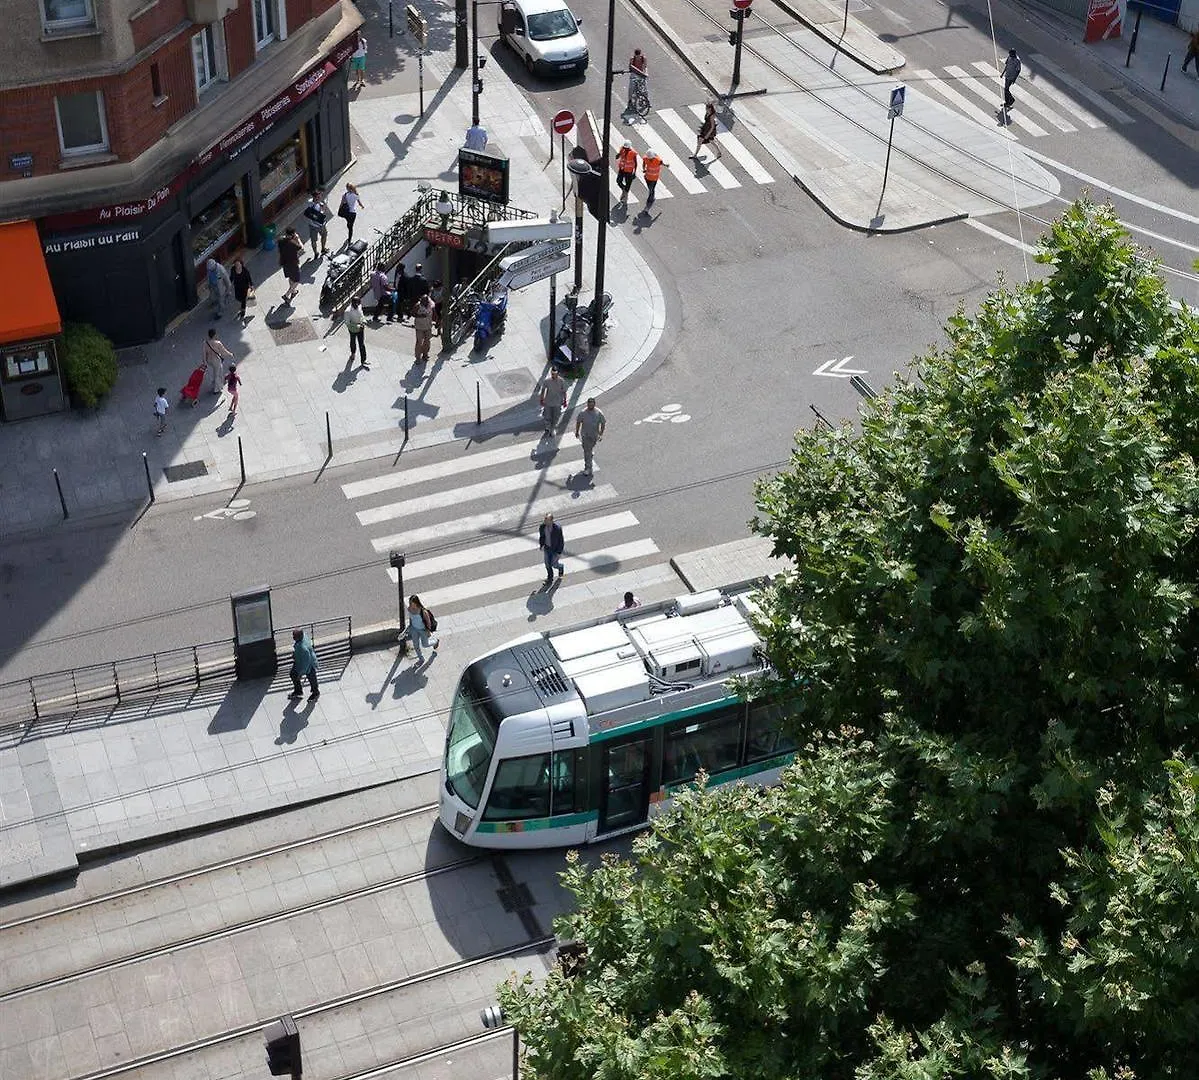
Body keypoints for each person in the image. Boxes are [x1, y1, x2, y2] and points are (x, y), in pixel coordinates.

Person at [574, 396, 606, 477]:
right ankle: (588, 467)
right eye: (589, 405)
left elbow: (603, 423)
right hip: (585, 435)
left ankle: (590, 454)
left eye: (592, 405)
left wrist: (601, 434)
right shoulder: (583, 413)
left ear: (594, 404)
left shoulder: (599, 413)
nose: (590, 406)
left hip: (594, 435)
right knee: (586, 451)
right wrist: (577, 432)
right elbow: (578, 422)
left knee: (589, 448)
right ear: (587, 404)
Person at [406, 595, 440, 662]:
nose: (410, 605)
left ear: (416, 603)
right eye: (410, 603)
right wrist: (410, 625)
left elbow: (428, 622)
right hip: (414, 629)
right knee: (416, 645)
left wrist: (428, 631)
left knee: (425, 644)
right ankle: (421, 658)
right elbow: (411, 618)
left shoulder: (423, 611)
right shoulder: (409, 609)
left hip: (423, 630)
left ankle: (435, 641)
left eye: (412, 603)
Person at [288, 628, 319, 701]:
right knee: (293, 674)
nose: (293, 637)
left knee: (312, 678)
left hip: (309, 664)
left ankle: (315, 693)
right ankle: (298, 691)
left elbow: (306, 663)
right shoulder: (303, 636)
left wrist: (300, 674)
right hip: (300, 661)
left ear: (299, 637)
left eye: (294, 636)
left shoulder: (303, 648)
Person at [278, 226, 304, 304]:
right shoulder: (292, 243)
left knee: (291, 278)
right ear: (292, 234)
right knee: (297, 280)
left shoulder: (280, 240)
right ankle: (286, 295)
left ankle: (293, 291)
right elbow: (302, 248)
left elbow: (282, 240)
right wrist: (298, 239)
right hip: (293, 263)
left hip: (284, 262)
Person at [203, 328, 233, 395]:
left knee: (215, 372)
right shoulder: (218, 343)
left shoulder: (205, 343)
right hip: (216, 360)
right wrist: (230, 354)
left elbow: (204, 353)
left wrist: (205, 362)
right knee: (218, 374)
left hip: (209, 360)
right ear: (214, 335)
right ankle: (216, 389)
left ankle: (214, 381)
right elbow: (224, 351)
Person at [538, 513, 565, 586]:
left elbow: (561, 541)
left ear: (551, 521)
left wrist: (559, 552)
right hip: (547, 548)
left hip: (555, 550)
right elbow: (542, 537)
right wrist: (541, 545)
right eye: (545, 519)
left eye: (547, 520)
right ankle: (550, 579)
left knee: (554, 564)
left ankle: (561, 567)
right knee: (547, 565)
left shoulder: (557, 528)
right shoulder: (542, 527)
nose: (545, 521)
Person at [540, 368, 567, 437]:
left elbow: (564, 392)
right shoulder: (547, 381)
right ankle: (548, 428)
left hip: (557, 402)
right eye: (552, 374)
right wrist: (541, 399)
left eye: (554, 374)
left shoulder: (561, 381)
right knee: (547, 415)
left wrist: (565, 401)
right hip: (548, 402)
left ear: (558, 374)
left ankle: (553, 429)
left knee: (556, 416)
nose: (553, 375)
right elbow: (543, 390)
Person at [304, 192, 330, 258]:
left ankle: (318, 252)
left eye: (320, 196)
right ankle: (321, 250)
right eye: (318, 197)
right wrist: (323, 207)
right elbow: (321, 214)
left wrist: (319, 204)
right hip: (318, 225)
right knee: (321, 237)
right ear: (314, 197)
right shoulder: (314, 205)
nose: (320, 198)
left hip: (314, 225)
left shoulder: (310, 202)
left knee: (316, 239)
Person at [345, 297, 369, 369]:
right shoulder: (348, 311)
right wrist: (357, 326)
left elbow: (361, 315)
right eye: (356, 304)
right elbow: (347, 323)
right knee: (353, 341)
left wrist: (364, 320)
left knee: (361, 344)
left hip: (361, 328)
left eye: (359, 303)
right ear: (353, 303)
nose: (358, 305)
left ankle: (363, 360)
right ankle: (353, 353)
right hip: (352, 329)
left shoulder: (359, 306)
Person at [413, 292, 434, 362]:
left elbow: (434, 312)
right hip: (419, 327)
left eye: (426, 301)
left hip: (428, 326)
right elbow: (413, 313)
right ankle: (418, 357)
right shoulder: (417, 305)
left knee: (427, 341)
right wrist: (420, 316)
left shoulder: (430, 305)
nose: (424, 302)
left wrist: (436, 320)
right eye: (423, 301)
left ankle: (425, 354)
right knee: (419, 342)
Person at [616, 140, 638, 205]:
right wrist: (618, 155)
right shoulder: (622, 149)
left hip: (629, 171)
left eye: (626, 148)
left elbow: (635, 163)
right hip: (622, 169)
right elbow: (619, 155)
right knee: (618, 181)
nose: (625, 149)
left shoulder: (633, 153)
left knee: (628, 184)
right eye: (624, 147)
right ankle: (624, 190)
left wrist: (634, 172)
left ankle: (625, 197)